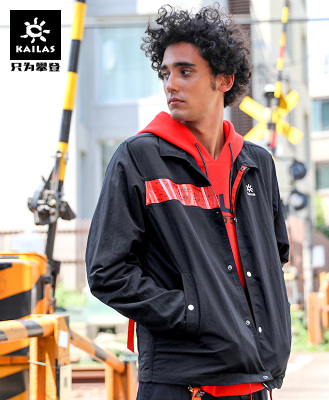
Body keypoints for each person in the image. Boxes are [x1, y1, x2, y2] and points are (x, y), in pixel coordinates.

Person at [86, 4, 291, 400]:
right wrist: (193, 313)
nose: (171, 84)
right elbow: (107, 271)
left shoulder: (257, 164)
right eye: (166, 73)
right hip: (181, 385)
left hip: (255, 382)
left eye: (185, 71)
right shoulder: (139, 158)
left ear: (224, 79)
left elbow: (273, 256)